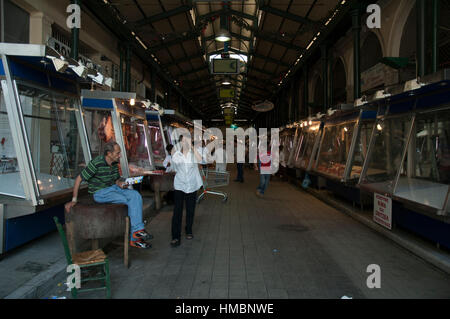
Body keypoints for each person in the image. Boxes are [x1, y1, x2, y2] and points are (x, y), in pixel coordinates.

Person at [65, 142, 152, 249]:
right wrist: (74, 199)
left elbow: (115, 180)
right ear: (109, 153)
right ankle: (136, 233)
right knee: (127, 199)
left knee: (136, 195)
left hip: (113, 189)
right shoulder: (96, 163)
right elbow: (79, 179)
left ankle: (136, 235)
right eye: (117, 153)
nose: (119, 155)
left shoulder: (115, 163)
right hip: (100, 192)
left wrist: (120, 184)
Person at [170, 135, 203, 247]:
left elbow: (201, 160)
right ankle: (175, 236)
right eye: (183, 140)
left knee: (190, 210)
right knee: (177, 211)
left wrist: (192, 147)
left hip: (192, 185)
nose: (185, 142)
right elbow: (174, 164)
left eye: (187, 140)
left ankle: (188, 230)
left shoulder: (194, 153)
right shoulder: (176, 154)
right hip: (180, 185)